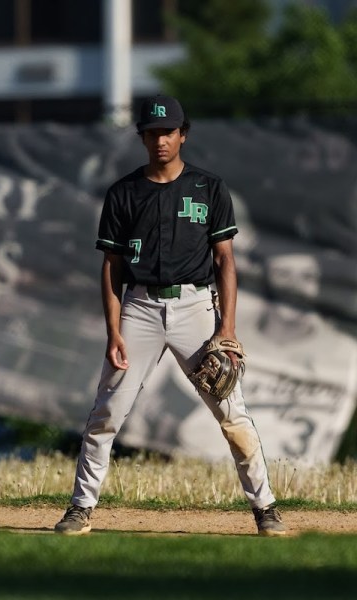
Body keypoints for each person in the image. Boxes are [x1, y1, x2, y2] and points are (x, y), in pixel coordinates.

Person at [55, 95, 286, 537]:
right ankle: (81, 507)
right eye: (152, 132)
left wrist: (227, 327)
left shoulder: (210, 188)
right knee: (107, 412)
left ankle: (266, 508)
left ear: (183, 134)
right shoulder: (124, 193)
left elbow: (225, 263)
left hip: (195, 308)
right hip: (138, 309)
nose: (160, 139)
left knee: (231, 413)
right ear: (142, 136)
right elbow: (112, 268)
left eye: (168, 131)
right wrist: (114, 331)